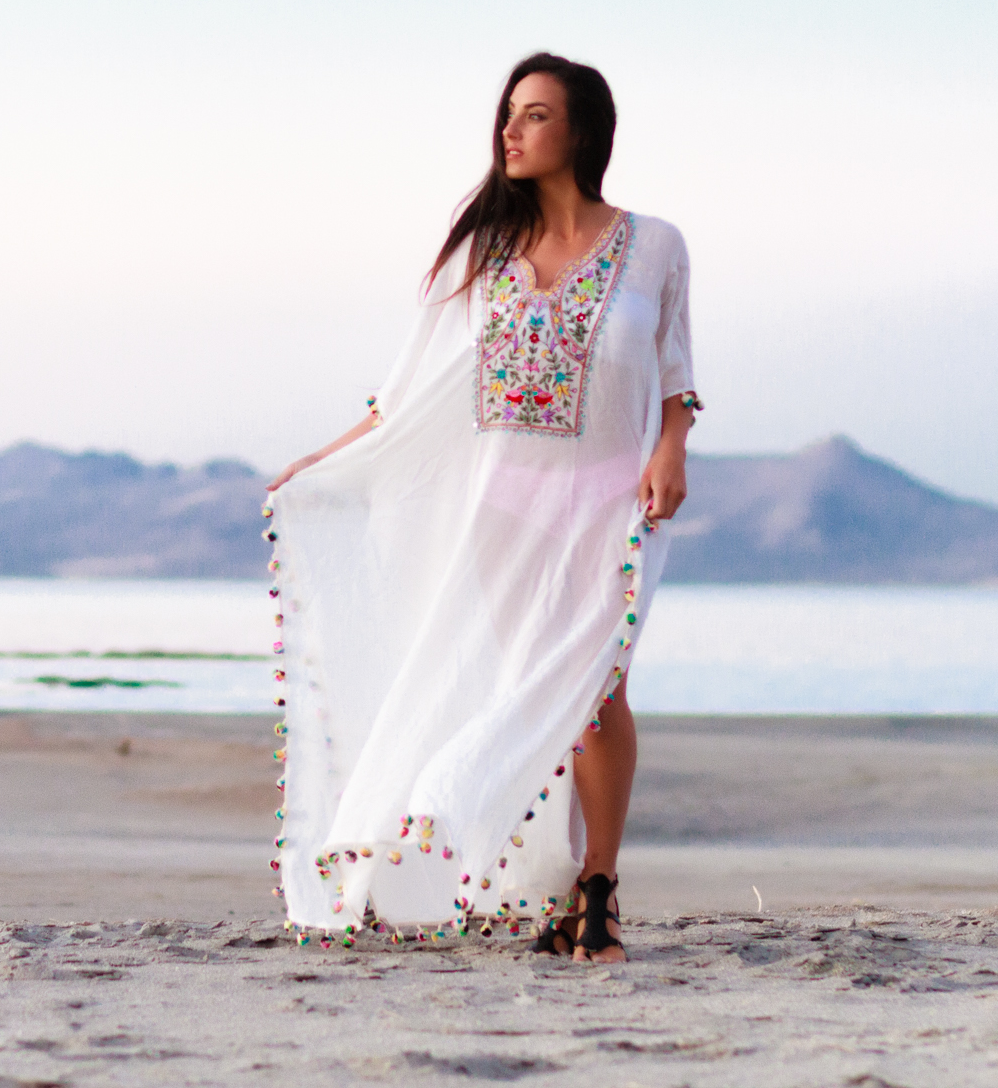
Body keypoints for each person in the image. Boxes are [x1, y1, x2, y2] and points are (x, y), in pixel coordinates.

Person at [262, 52, 700, 963]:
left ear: (581, 131)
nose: (510, 130)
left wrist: (672, 445)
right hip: (503, 515)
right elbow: (405, 393)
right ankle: (550, 883)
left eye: (534, 115)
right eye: (508, 113)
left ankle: (599, 888)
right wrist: (325, 462)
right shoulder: (482, 254)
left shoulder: (654, 243)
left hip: (612, 504)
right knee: (527, 689)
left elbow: (674, 368)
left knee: (594, 685)